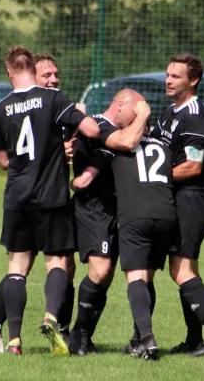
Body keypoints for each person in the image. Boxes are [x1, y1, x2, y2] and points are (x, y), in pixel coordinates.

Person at [0, 45, 100, 356]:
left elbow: (4, 160)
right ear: (31, 70)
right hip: (52, 195)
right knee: (58, 262)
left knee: (17, 267)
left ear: (10, 73)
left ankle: (13, 340)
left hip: (18, 197)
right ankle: (51, 316)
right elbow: (90, 128)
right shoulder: (53, 100)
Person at [137, 53, 204, 357]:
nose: (168, 80)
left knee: (180, 268)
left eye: (176, 76)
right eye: (167, 74)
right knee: (186, 269)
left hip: (193, 198)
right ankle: (194, 338)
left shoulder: (195, 115)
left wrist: (154, 179)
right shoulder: (168, 113)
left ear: (193, 80)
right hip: (175, 198)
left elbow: (192, 167)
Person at [72, 116, 176, 361]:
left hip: (132, 217)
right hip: (165, 214)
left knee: (136, 278)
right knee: (146, 278)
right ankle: (135, 339)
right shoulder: (162, 145)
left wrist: (73, 183)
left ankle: (138, 338)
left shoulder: (114, 147)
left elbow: (85, 180)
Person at [67, 89, 151, 356]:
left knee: (114, 274)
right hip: (94, 207)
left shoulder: (118, 130)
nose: (139, 114)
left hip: (120, 209)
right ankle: (78, 334)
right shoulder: (101, 125)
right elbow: (126, 142)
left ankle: (89, 338)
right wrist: (144, 115)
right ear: (121, 104)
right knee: (101, 270)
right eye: (135, 109)